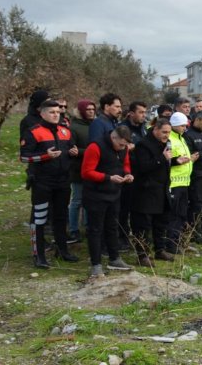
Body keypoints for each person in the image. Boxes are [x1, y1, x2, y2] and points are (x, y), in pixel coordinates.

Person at [20, 100, 80, 268]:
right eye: (52, 112)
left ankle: (62, 251)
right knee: (39, 218)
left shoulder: (65, 131)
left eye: (58, 112)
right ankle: (38, 255)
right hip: (42, 181)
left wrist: (73, 152)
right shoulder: (33, 132)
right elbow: (24, 157)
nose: (56, 115)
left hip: (62, 181)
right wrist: (44, 156)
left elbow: (69, 150)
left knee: (61, 217)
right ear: (42, 113)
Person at [81, 125, 135, 277]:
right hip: (95, 195)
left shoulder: (123, 148)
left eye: (125, 145)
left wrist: (128, 174)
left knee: (112, 227)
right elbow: (86, 172)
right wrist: (108, 177)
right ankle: (96, 264)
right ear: (113, 137)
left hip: (114, 193)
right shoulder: (95, 147)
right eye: (120, 145)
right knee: (95, 229)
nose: (122, 148)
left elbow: (125, 164)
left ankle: (114, 258)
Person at [131, 119, 174, 266]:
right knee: (143, 225)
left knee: (161, 223)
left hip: (162, 189)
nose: (166, 135)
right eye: (164, 132)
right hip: (146, 190)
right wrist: (162, 158)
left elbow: (165, 163)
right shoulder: (143, 145)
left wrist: (172, 160)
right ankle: (142, 254)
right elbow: (143, 167)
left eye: (169, 132)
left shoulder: (165, 144)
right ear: (155, 129)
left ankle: (159, 249)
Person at [118, 101, 148, 250]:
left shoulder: (143, 128)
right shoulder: (123, 128)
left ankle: (137, 236)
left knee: (138, 207)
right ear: (131, 113)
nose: (144, 115)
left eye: (145, 112)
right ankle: (121, 237)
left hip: (141, 172)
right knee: (124, 207)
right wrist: (129, 148)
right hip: (127, 172)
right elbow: (119, 147)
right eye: (141, 112)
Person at [167, 112, 198, 251]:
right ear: (174, 125)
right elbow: (166, 160)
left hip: (184, 182)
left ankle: (178, 241)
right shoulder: (169, 139)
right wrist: (177, 161)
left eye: (186, 125)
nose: (185, 128)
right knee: (173, 215)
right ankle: (171, 244)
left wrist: (190, 159)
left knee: (181, 214)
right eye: (182, 126)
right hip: (174, 183)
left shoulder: (181, 138)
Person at [67, 100, 95, 244]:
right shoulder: (74, 127)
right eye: (88, 109)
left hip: (94, 170)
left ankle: (88, 227)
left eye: (92, 109)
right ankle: (73, 230)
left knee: (89, 201)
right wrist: (89, 152)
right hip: (78, 170)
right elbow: (72, 150)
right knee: (77, 201)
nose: (91, 111)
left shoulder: (96, 125)